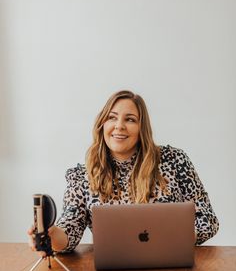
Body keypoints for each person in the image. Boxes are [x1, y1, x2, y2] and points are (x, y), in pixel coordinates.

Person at [28, 90, 219, 254]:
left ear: (141, 128)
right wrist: (51, 234)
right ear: (102, 124)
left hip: (170, 266)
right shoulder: (83, 176)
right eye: (112, 117)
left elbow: (208, 220)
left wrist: (172, 241)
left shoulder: (174, 160)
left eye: (130, 119)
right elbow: (69, 230)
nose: (119, 125)